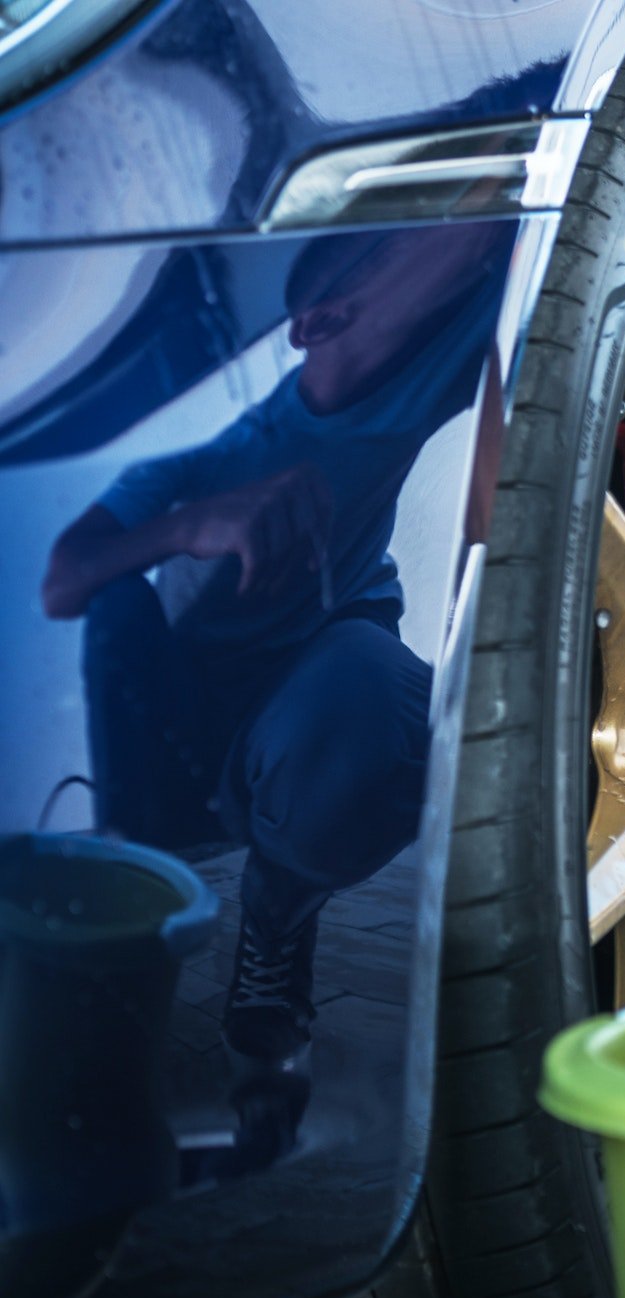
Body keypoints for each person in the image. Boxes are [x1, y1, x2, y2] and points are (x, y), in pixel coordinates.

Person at [40, 224, 504, 1076]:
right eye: (416, 248)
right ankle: (128, 898)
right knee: (112, 610)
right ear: (320, 321)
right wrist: (195, 521)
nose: (458, 249)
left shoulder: (437, 353)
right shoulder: (213, 446)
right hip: (191, 705)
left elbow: (511, 234)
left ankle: (278, 912)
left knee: (374, 701)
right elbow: (63, 578)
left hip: (320, 670)